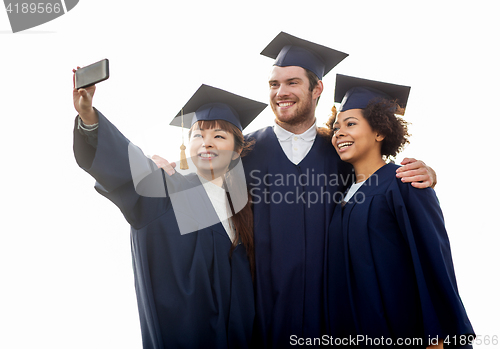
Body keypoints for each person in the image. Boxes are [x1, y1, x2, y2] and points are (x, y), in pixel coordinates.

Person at [159, 32, 437, 348]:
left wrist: (425, 172)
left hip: (337, 317)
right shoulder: (242, 153)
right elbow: (196, 201)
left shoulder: (341, 152)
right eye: (274, 85)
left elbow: (379, 183)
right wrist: (167, 178)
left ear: (317, 88)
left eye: (292, 82)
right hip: (263, 320)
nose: (281, 92)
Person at [72, 79, 267, 348]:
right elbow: (129, 167)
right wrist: (89, 118)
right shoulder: (168, 190)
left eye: (218, 136)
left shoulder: (245, 211)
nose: (206, 144)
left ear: (236, 151)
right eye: (198, 135)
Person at [325, 74, 474, 348]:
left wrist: (436, 337)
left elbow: (432, 259)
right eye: (336, 128)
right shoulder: (340, 196)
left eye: (351, 124)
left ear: (380, 131)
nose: (339, 133)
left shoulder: (405, 182)